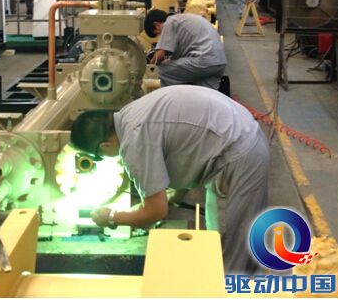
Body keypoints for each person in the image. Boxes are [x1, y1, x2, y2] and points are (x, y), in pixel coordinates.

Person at [70, 85, 270, 273]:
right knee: (222, 238)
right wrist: (175, 195)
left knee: (228, 250)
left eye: (98, 156)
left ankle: (234, 289)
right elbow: (187, 147)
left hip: (239, 155)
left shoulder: (134, 142)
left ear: (105, 146)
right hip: (240, 133)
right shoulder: (129, 115)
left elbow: (156, 212)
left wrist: (112, 217)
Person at [144, 10, 227, 90]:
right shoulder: (182, 19)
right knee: (206, 94)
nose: (161, 37)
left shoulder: (169, 22)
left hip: (203, 60)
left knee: (157, 74)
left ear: (156, 25)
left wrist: (149, 66)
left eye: (158, 33)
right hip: (219, 62)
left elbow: (160, 56)